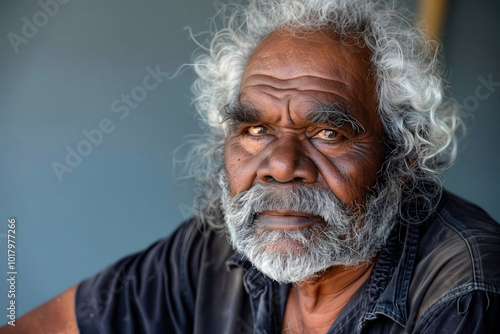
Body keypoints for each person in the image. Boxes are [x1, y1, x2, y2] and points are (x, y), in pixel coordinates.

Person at [3, 0, 500, 333]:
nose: (281, 166)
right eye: (256, 130)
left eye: (329, 133)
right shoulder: (214, 249)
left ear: (404, 158)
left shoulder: (466, 293)